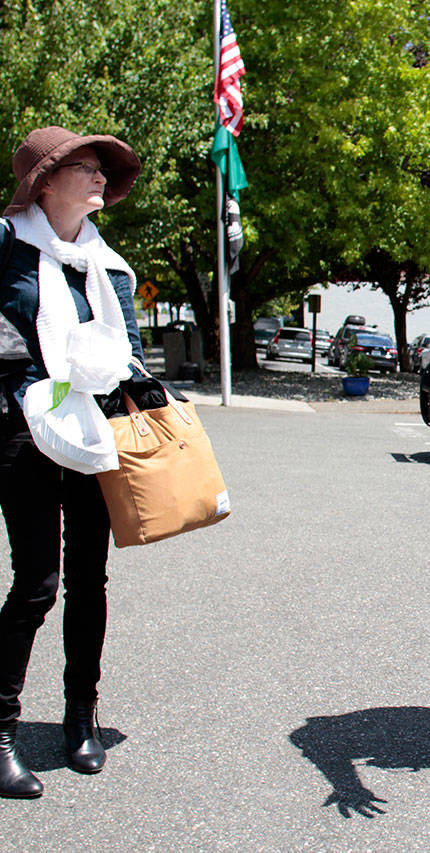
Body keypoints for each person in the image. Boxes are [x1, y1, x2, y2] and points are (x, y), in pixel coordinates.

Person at [0, 126, 144, 798]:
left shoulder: (108, 266)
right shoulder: (7, 246)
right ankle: (0, 730)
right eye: (84, 166)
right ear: (45, 182)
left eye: (101, 168)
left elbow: (130, 352)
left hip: (94, 435)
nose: (99, 177)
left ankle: (80, 715)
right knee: (37, 583)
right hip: (22, 431)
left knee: (90, 580)